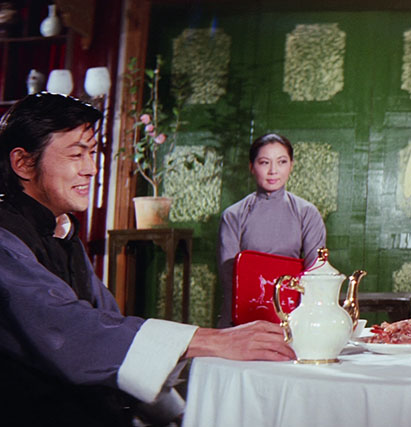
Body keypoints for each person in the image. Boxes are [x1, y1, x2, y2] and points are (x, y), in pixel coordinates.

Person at [0, 93, 295, 426]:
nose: (90, 169)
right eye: (76, 154)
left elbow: (109, 327)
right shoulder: (5, 239)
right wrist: (211, 340)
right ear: (23, 163)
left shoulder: (62, 231)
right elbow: (70, 332)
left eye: (93, 153)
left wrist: (176, 414)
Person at [216, 133, 326, 327]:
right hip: (244, 314)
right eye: (264, 162)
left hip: (294, 313)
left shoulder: (307, 213)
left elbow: (316, 272)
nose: (273, 170)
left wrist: (302, 319)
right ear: (251, 167)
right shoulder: (234, 215)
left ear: (291, 165)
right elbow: (229, 277)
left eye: (281, 162)